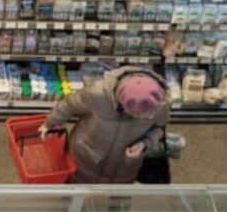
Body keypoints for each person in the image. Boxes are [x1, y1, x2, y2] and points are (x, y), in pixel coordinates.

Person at [39, 66, 169, 183]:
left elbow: (158, 129)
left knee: (113, 199)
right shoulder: (97, 94)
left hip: (123, 169)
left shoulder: (161, 105)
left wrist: (144, 144)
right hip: (86, 158)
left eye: (145, 116)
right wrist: (50, 123)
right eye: (134, 114)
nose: (140, 118)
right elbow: (69, 105)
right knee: (76, 191)